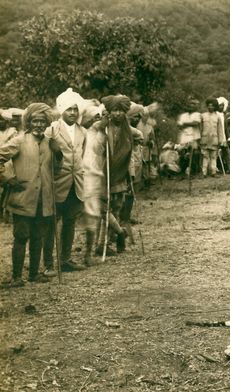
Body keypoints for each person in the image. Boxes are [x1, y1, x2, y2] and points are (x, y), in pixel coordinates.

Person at [0, 103, 57, 286]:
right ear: (29, 122)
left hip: (44, 199)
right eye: (35, 121)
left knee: (38, 236)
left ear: (47, 123)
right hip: (23, 198)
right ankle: (16, 277)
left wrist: (59, 153)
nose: (39, 125)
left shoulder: (50, 143)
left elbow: (57, 169)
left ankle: (33, 274)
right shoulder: (19, 140)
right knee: (21, 236)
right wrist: (8, 178)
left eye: (42, 121)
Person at [82, 95, 137, 261]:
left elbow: (137, 139)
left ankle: (103, 244)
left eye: (121, 111)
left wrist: (130, 170)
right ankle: (120, 233)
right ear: (109, 112)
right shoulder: (101, 127)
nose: (118, 114)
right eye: (115, 110)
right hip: (101, 173)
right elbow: (91, 145)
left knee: (116, 207)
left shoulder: (128, 129)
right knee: (102, 209)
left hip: (120, 175)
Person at [45, 88, 87, 272]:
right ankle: (47, 262)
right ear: (62, 110)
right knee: (51, 223)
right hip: (56, 182)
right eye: (69, 109)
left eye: (75, 109)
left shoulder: (83, 131)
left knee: (70, 221)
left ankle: (65, 259)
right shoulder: (52, 129)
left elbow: (83, 155)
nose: (72, 113)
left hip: (75, 183)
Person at [200, 97, 226, 175]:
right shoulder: (203, 116)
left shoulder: (217, 117)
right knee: (205, 156)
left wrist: (220, 140)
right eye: (209, 105)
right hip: (205, 139)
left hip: (214, 139)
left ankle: (213, 172)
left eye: (212, 106)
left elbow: (220, 130)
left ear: (215, 107)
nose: (210, 107)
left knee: (214, 156)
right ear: (207, 106)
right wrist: (199, 139)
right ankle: (204, 172)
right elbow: (200, 128)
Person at [177, 99, 202, 176]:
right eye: (189, 104)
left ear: (196, 106)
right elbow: (179, 125)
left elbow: (196, 123)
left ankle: (194, 171)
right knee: (183, 155)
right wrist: (187, 124)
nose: (191, 106)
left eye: (193, 104)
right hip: (184, 137)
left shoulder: (197, 114)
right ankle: (182, 171)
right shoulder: (183, 115)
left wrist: (185, 124)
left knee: (194, 154)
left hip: (194, 137)